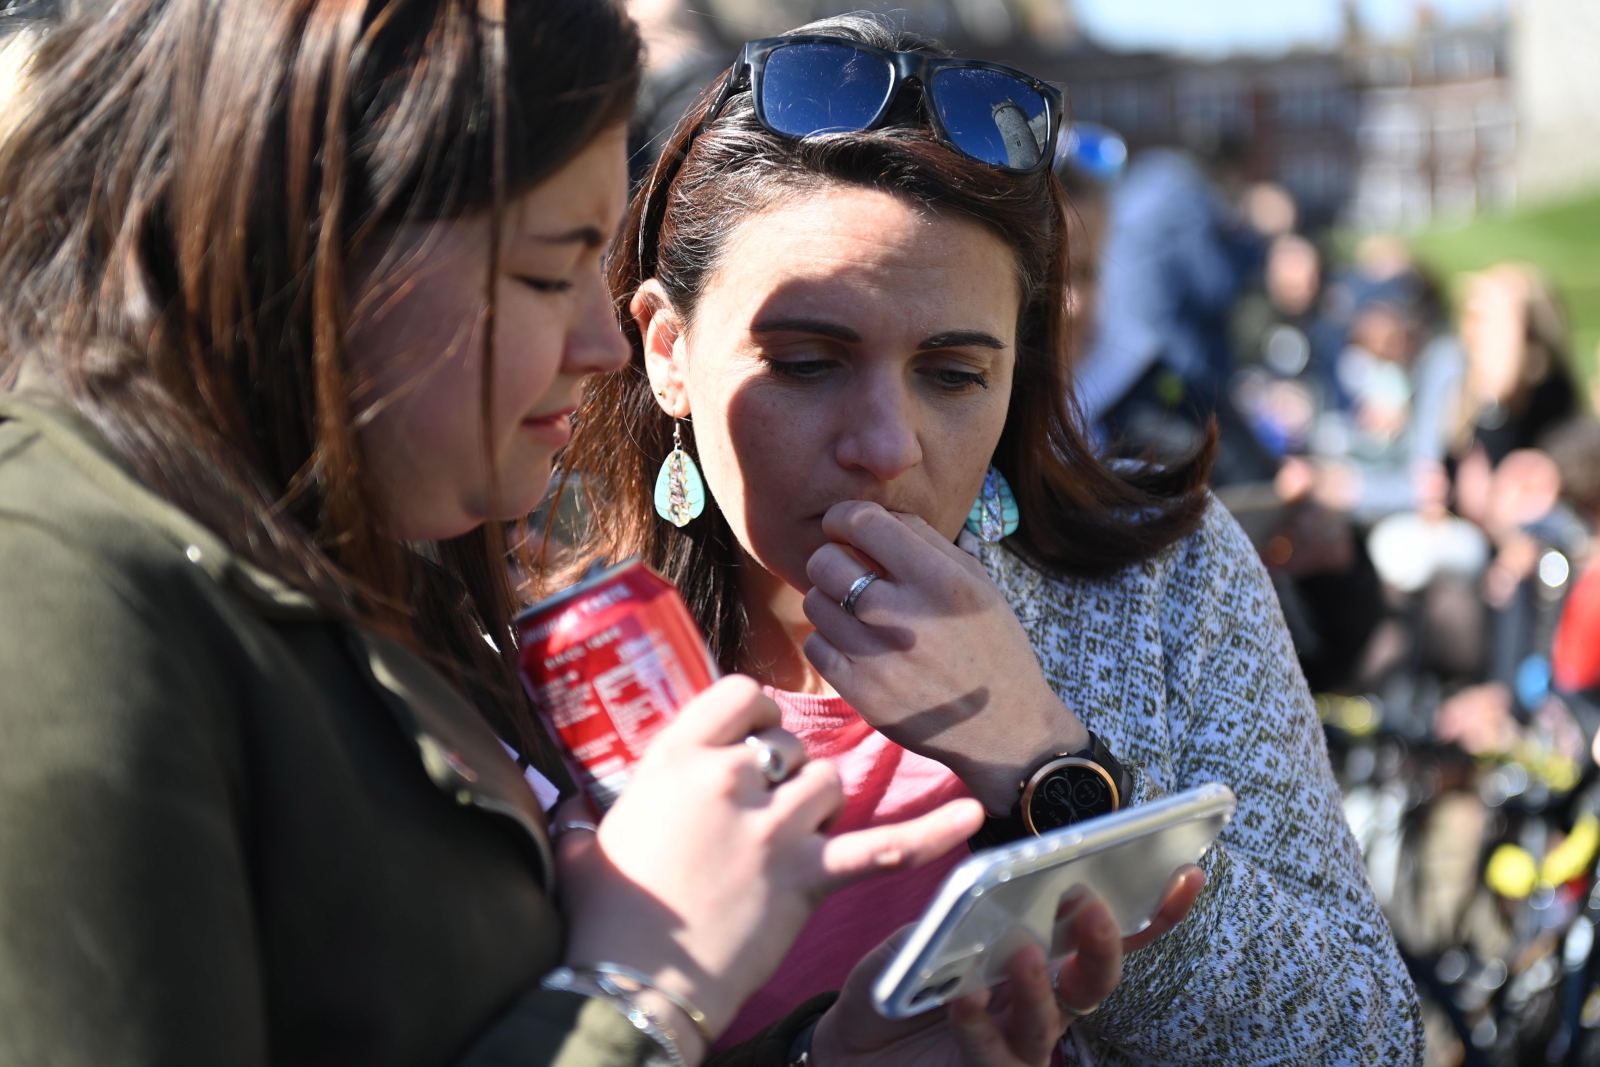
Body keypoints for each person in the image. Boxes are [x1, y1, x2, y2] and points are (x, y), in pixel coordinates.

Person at [0, 2, 1147, 1065]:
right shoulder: (61, 584)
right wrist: (642, 984)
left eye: (954, 371)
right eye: (551, 273)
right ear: (325, 252)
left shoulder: (313, 572)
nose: (601, 350)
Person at [562, 14, 1423, 1065]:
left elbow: (1363, 1035)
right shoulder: (547, 657)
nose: (884, 446)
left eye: (952, 374)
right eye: (807, 361)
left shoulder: (1160, 579)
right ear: (666, 351)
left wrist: (1047, 769)